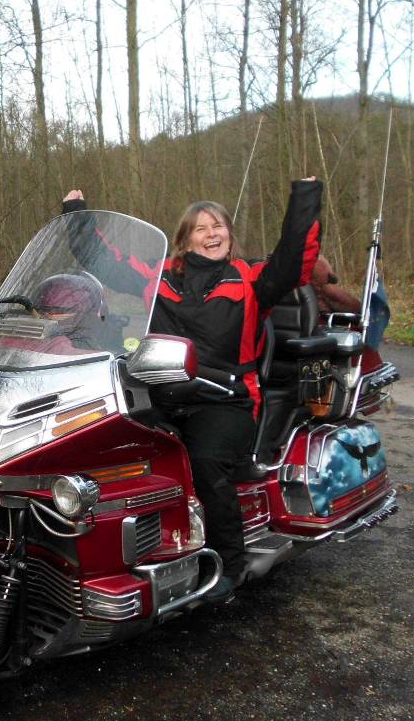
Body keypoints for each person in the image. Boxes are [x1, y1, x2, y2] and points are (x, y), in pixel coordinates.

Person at [61, 179, 322, 601]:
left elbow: (295, 262)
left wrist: (304, 198)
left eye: (219, 226)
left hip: (224, 401)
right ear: (185, 239)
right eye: (202, 228)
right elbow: (106, 263)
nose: (213, 233)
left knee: (204, 462)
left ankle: (229, 568)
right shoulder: (159, 277)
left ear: (230, 236)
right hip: (160, 395)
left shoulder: (251, 279)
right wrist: (76, 216)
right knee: (104, 449)